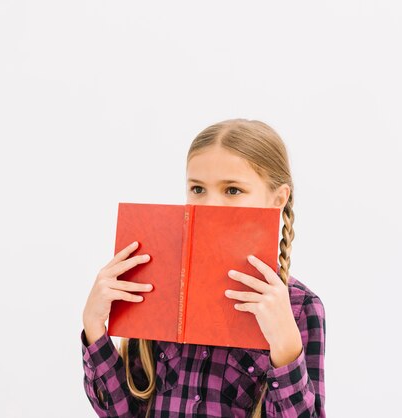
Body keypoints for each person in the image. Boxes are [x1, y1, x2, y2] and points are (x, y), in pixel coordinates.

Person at [81, 119, 326, 417]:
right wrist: (94, 327)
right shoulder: (159, 286)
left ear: (277, 199)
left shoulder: (300, 307)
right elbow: (123, 412)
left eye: (233, 190)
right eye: (197, 188)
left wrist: (286, 348)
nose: (210, 205)